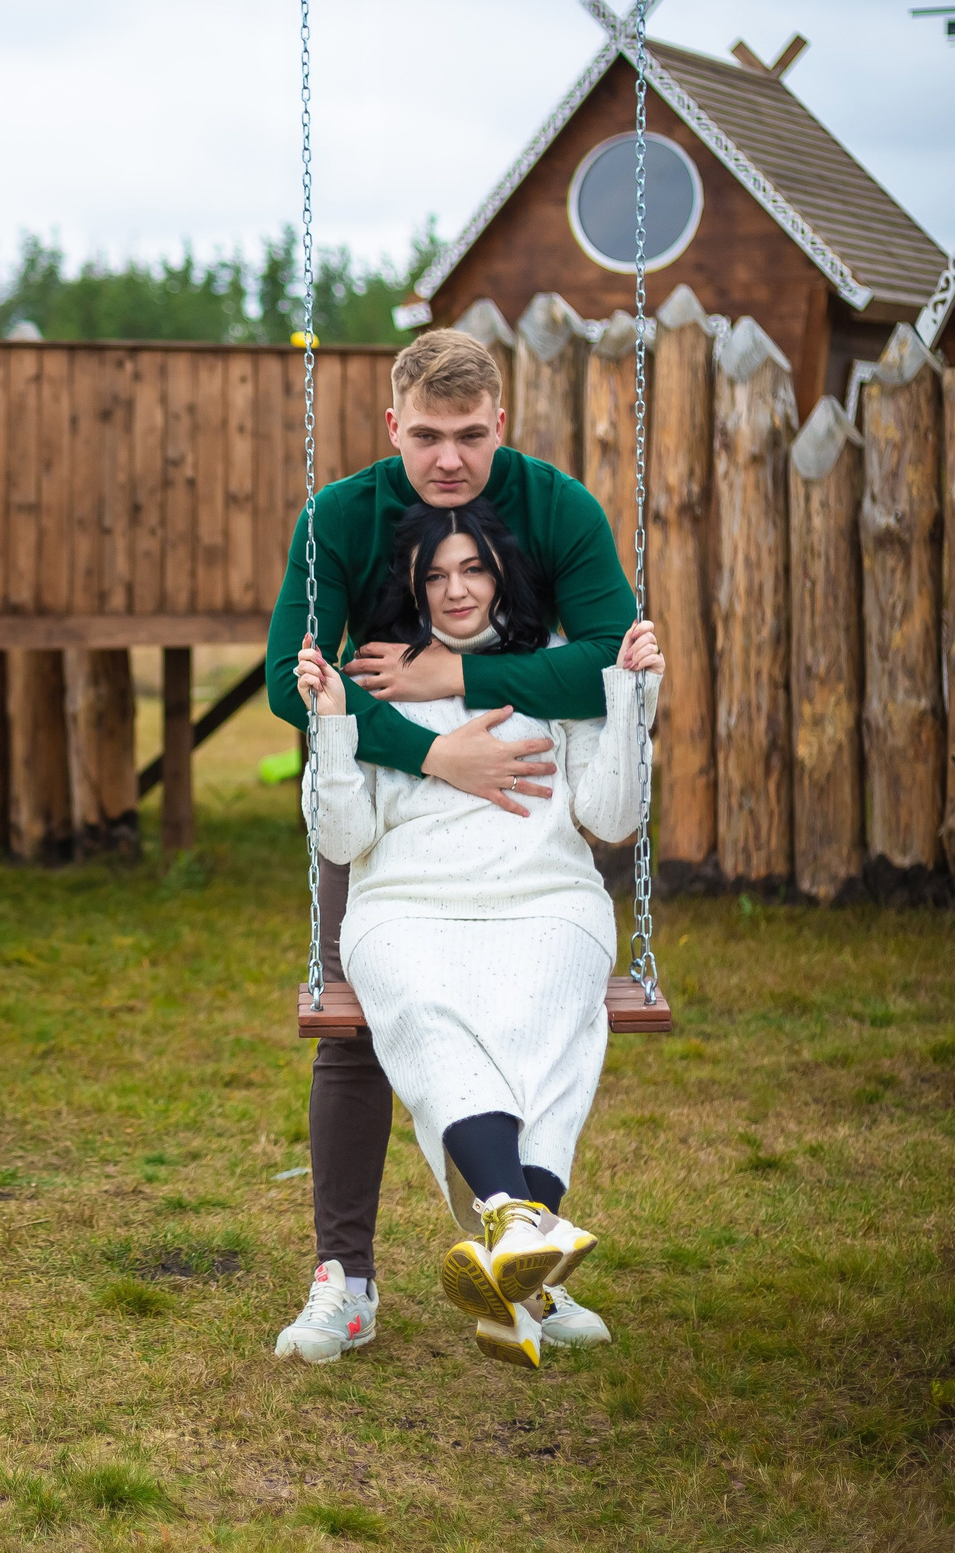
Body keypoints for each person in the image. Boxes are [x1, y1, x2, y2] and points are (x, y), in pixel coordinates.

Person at [265, 328, 637, 1366]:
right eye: (426, 436)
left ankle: (524, 1256)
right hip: (379, 796)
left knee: (534, 1007)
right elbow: (283, 682)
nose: (448, 460)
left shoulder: (555, 506)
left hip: (520, 814)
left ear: (500, 426)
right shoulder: (339, 515)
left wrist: (458, 685)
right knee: (355, 1027)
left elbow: (608, 657)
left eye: (469, 436)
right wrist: (428, 758)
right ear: (393, 427)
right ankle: (348, 1280)